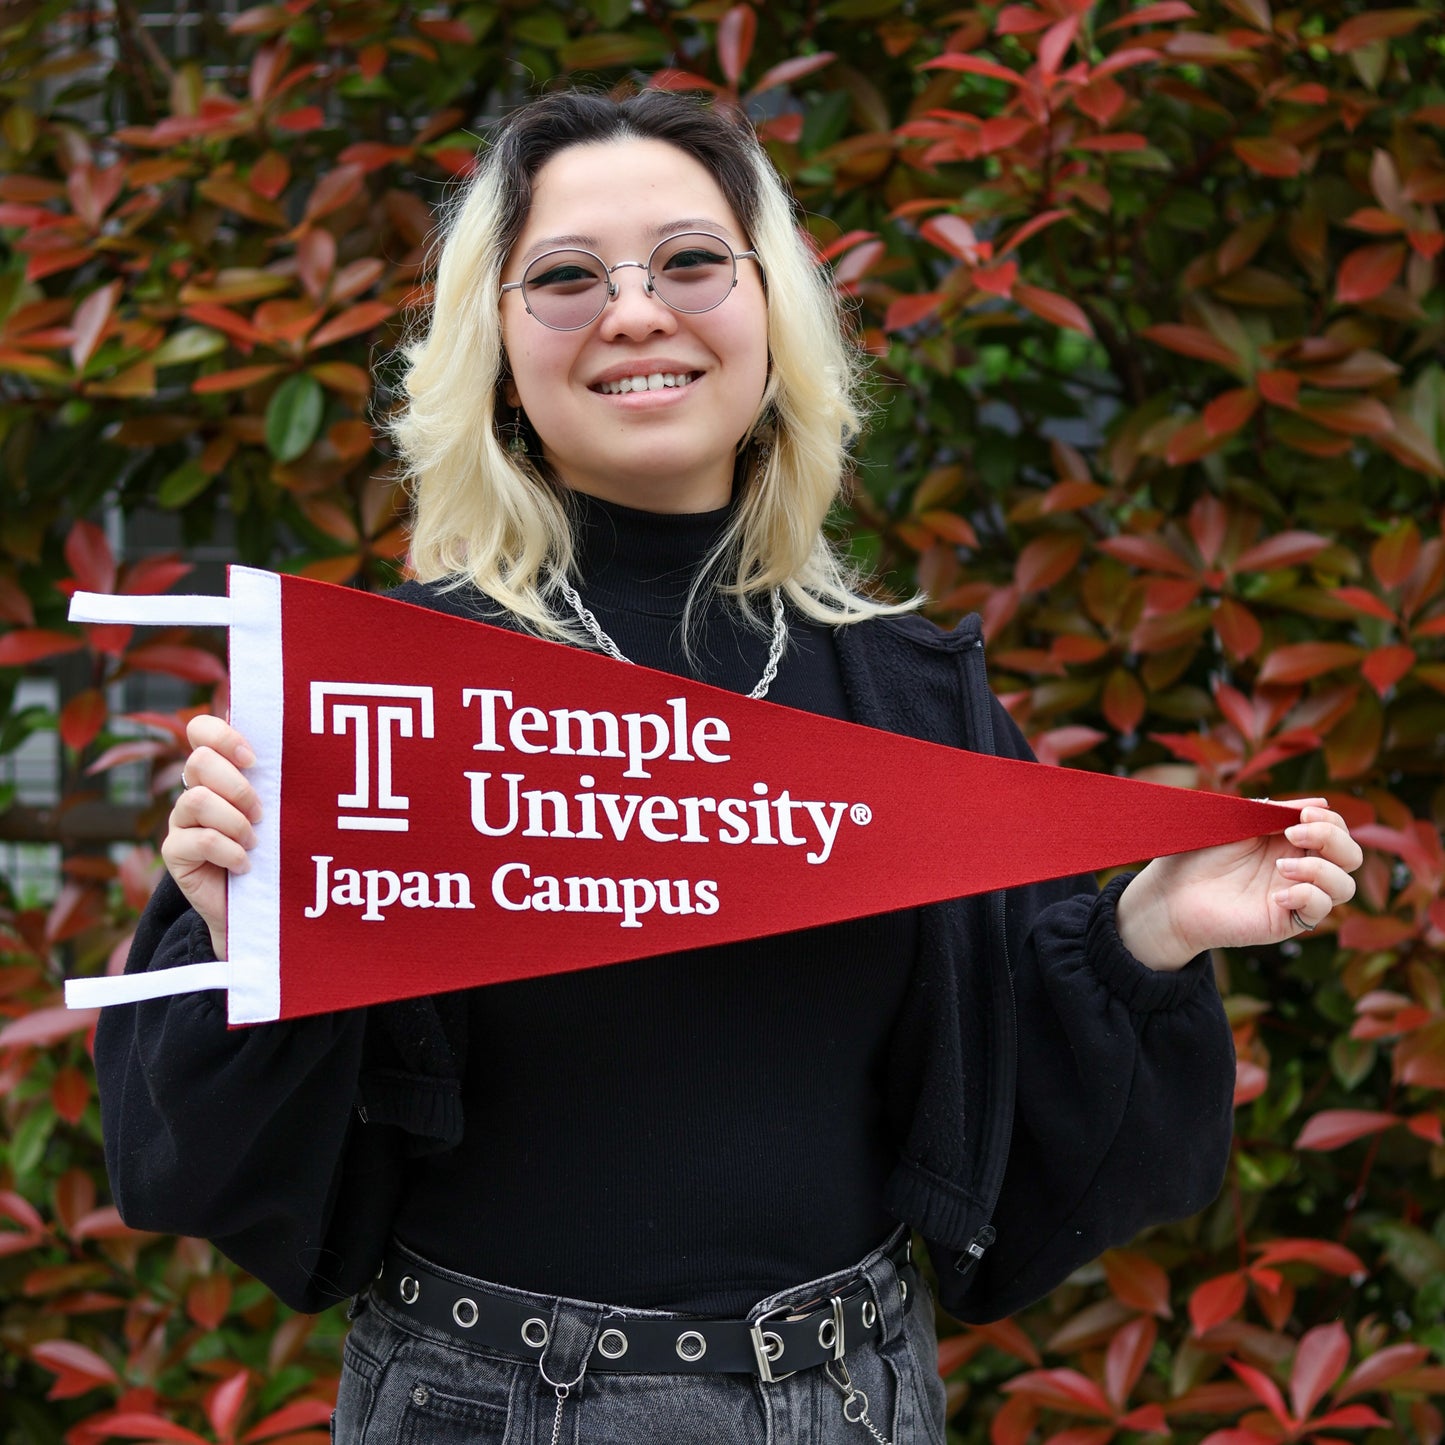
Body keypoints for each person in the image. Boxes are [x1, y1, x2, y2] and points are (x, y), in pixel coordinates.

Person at [97, 89, 1362, 1445]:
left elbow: (1021, 1142)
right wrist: (250, 936)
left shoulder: (906, 696)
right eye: (568, 278)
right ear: (496, 351)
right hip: (481, 1405)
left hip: (851, 1400)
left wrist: (1149, 932)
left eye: (690, 262)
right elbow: (187, 1168)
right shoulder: (384, 695)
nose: (635, 313)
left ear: (772, 317)